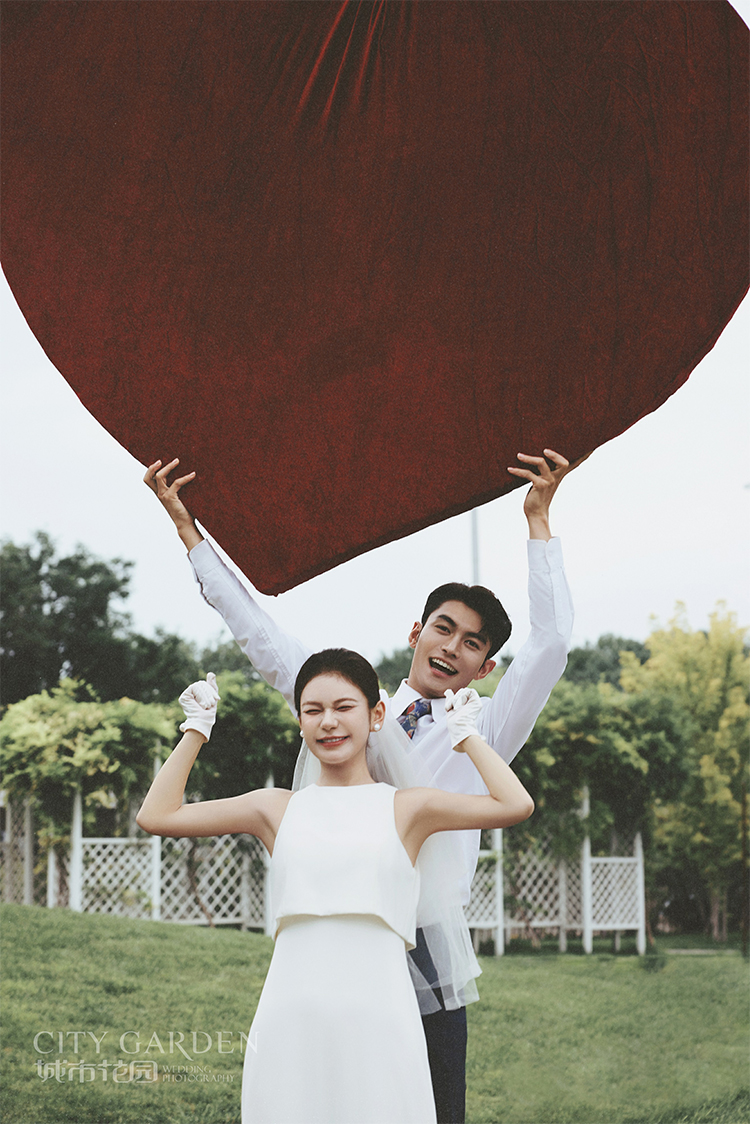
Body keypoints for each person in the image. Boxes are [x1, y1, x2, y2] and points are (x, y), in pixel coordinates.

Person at [144, 447, 577, 1123]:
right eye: (443, 629)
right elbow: (258, 632)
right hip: (326, 940)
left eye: (471, 644)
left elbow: (551, 645)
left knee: (430, 1104)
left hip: (424, 940)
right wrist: (188, 533)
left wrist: (539, 522)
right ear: (416, 632)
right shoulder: (346, 707)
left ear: (486, 667)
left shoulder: (485, 728)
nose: (451, 647)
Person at [136, 650, 535, 1124]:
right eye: (313, 710)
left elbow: (515, 804)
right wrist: (196, 729)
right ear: (300, 722)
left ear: (376, 715)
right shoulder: (275, 809)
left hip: (381, 1015)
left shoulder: (409, 808)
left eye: (344, 707)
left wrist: (467, 736)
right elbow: (157, 816)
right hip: (291, 1014)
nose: (328, 722)